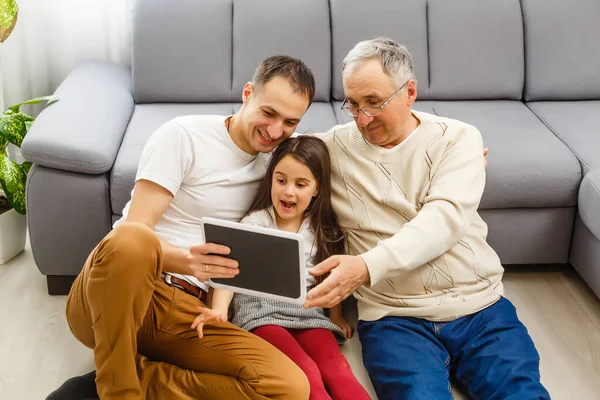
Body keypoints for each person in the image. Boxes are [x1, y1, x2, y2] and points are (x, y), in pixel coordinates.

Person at [49, 55, 316, 400]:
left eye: (290, 122)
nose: (276, 131)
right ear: (247, 93)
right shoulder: (184, 136)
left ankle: (122, 378)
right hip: (122, 291)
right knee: (132, 238)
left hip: (190, 312)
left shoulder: (279, 168)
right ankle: (119, 391)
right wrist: (187, 262)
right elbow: (135, 229)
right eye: (269, 113)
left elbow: (335, 150)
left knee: (290, 388)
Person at [304, 38, 550, 400]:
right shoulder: (332, 147)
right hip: (393, 318)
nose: (362, 119)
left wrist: (364, 267)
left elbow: (443, 219)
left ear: (410, 92)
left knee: (521, 394)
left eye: (374, 103)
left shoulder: (457, 139)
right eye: (352, 105)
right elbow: (265, 152)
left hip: (479, 306)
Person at [192, 136, 371, 400]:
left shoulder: (322, 229)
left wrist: (335, 315)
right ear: (271, 180)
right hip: (261, 314)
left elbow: (329, 277)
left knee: (338, 369)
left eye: (300, 184)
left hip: (308, 312)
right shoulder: (255, 223)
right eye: (281, 180)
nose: (288, 192)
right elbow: (229, 271)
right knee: (307, 371)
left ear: (316, 189)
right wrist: (219, 309)